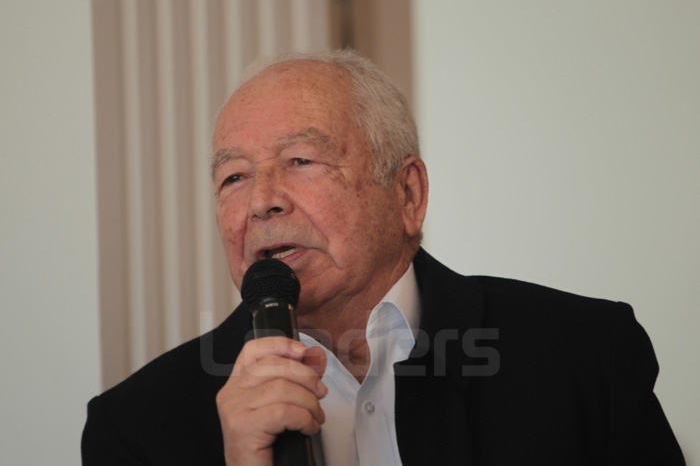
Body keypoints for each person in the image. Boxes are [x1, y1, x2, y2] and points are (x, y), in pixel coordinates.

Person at [82, 49, 685, 465]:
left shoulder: (585, 357)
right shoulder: (136, 428)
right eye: (233, 177)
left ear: (407, 194)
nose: (261, 201)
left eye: (300, 160)